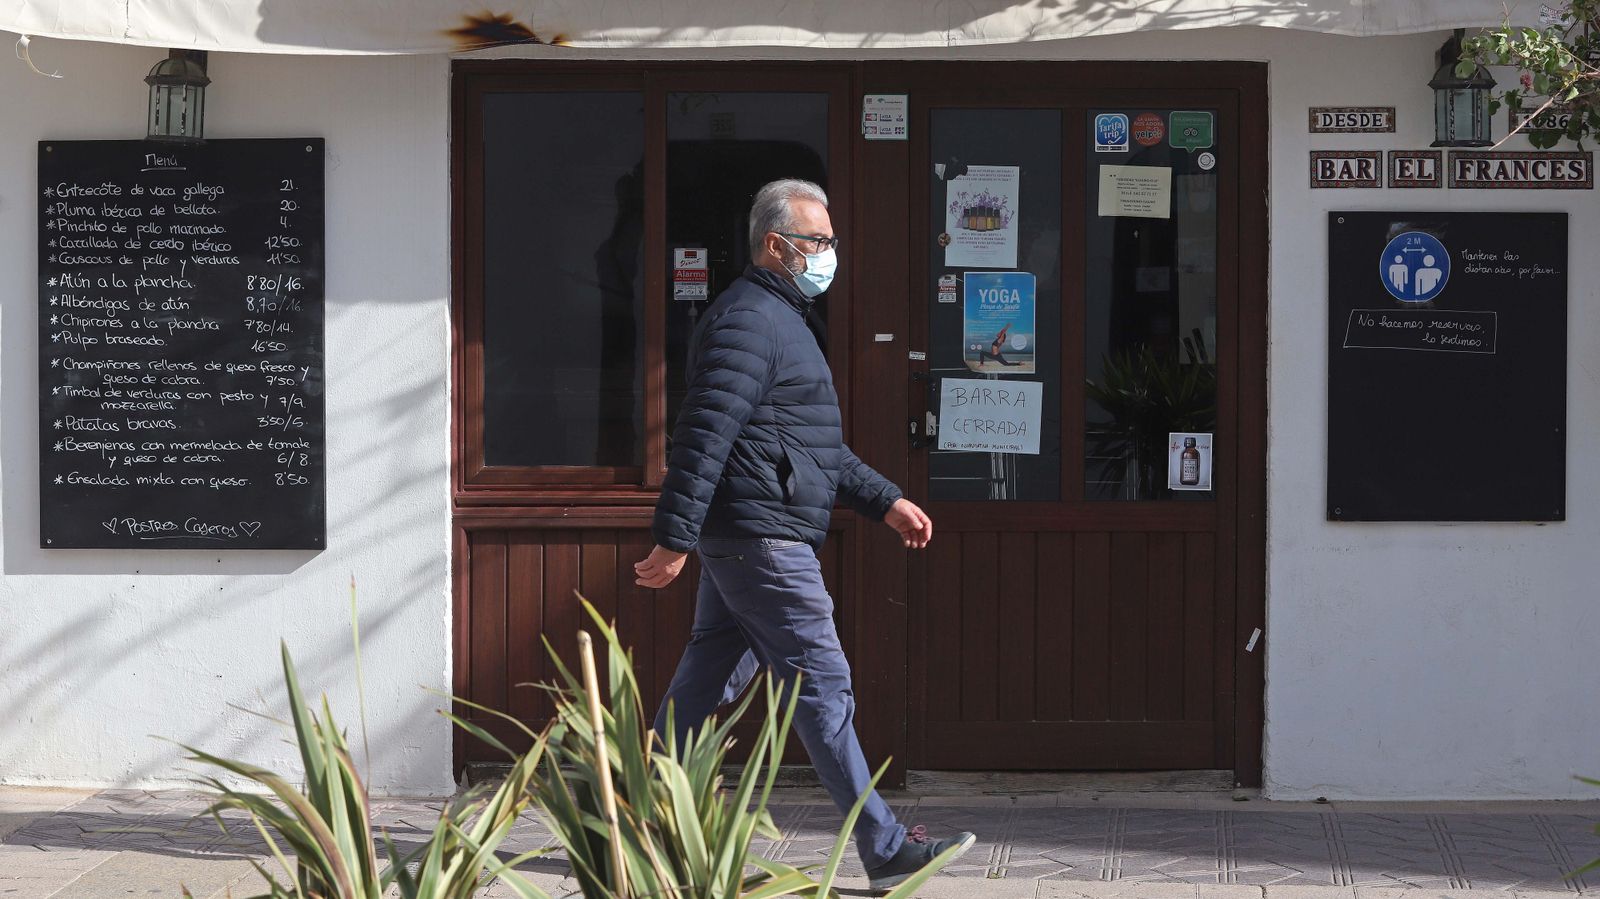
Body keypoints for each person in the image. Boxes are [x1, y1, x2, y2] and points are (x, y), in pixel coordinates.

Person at [634, 178, 976, 892]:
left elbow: (811, 447)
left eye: (830, 241)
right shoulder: (749, 322)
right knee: (822, 687)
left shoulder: (781, 321)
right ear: (775, 246)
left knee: (706, 677)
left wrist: (885, 501)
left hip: (753, 532)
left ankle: (631, 810)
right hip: (763, 539)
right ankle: (885, 847)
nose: (829, 254)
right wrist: (673, 537)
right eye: (818, 242)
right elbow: (702, 437)